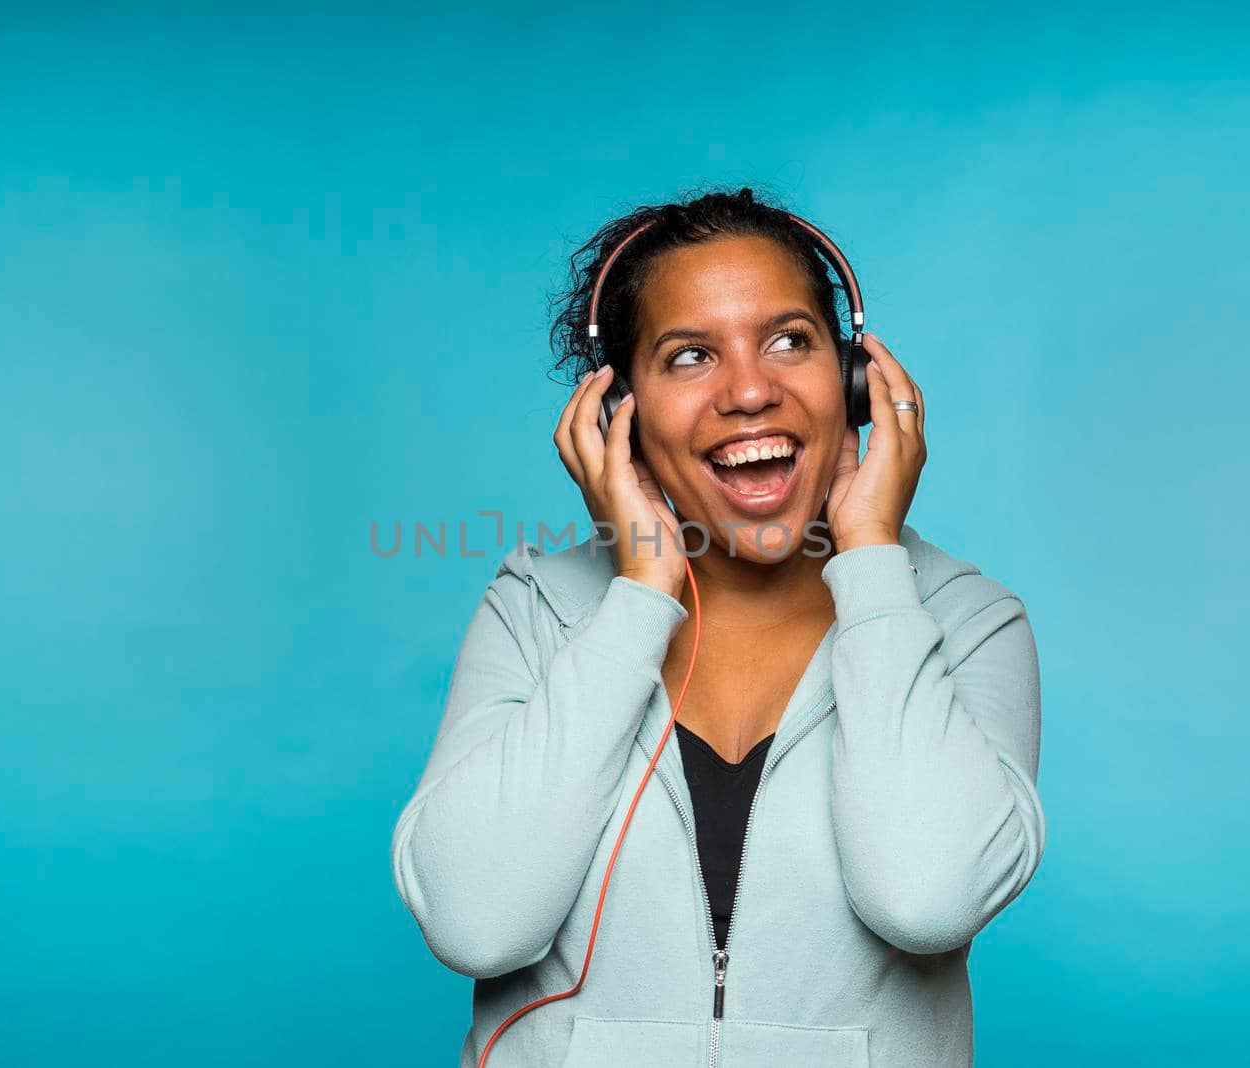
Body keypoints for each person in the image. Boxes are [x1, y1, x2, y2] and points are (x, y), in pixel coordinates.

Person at [391, 186, 1046, 1068]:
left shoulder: (964, 621)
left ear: (855, 381)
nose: (749, 390)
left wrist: (873, 562)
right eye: (691, 355)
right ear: (618, 409)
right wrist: (641, 593)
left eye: (789, 340)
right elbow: (476, 922)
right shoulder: (537, 611)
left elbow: (924, 898)